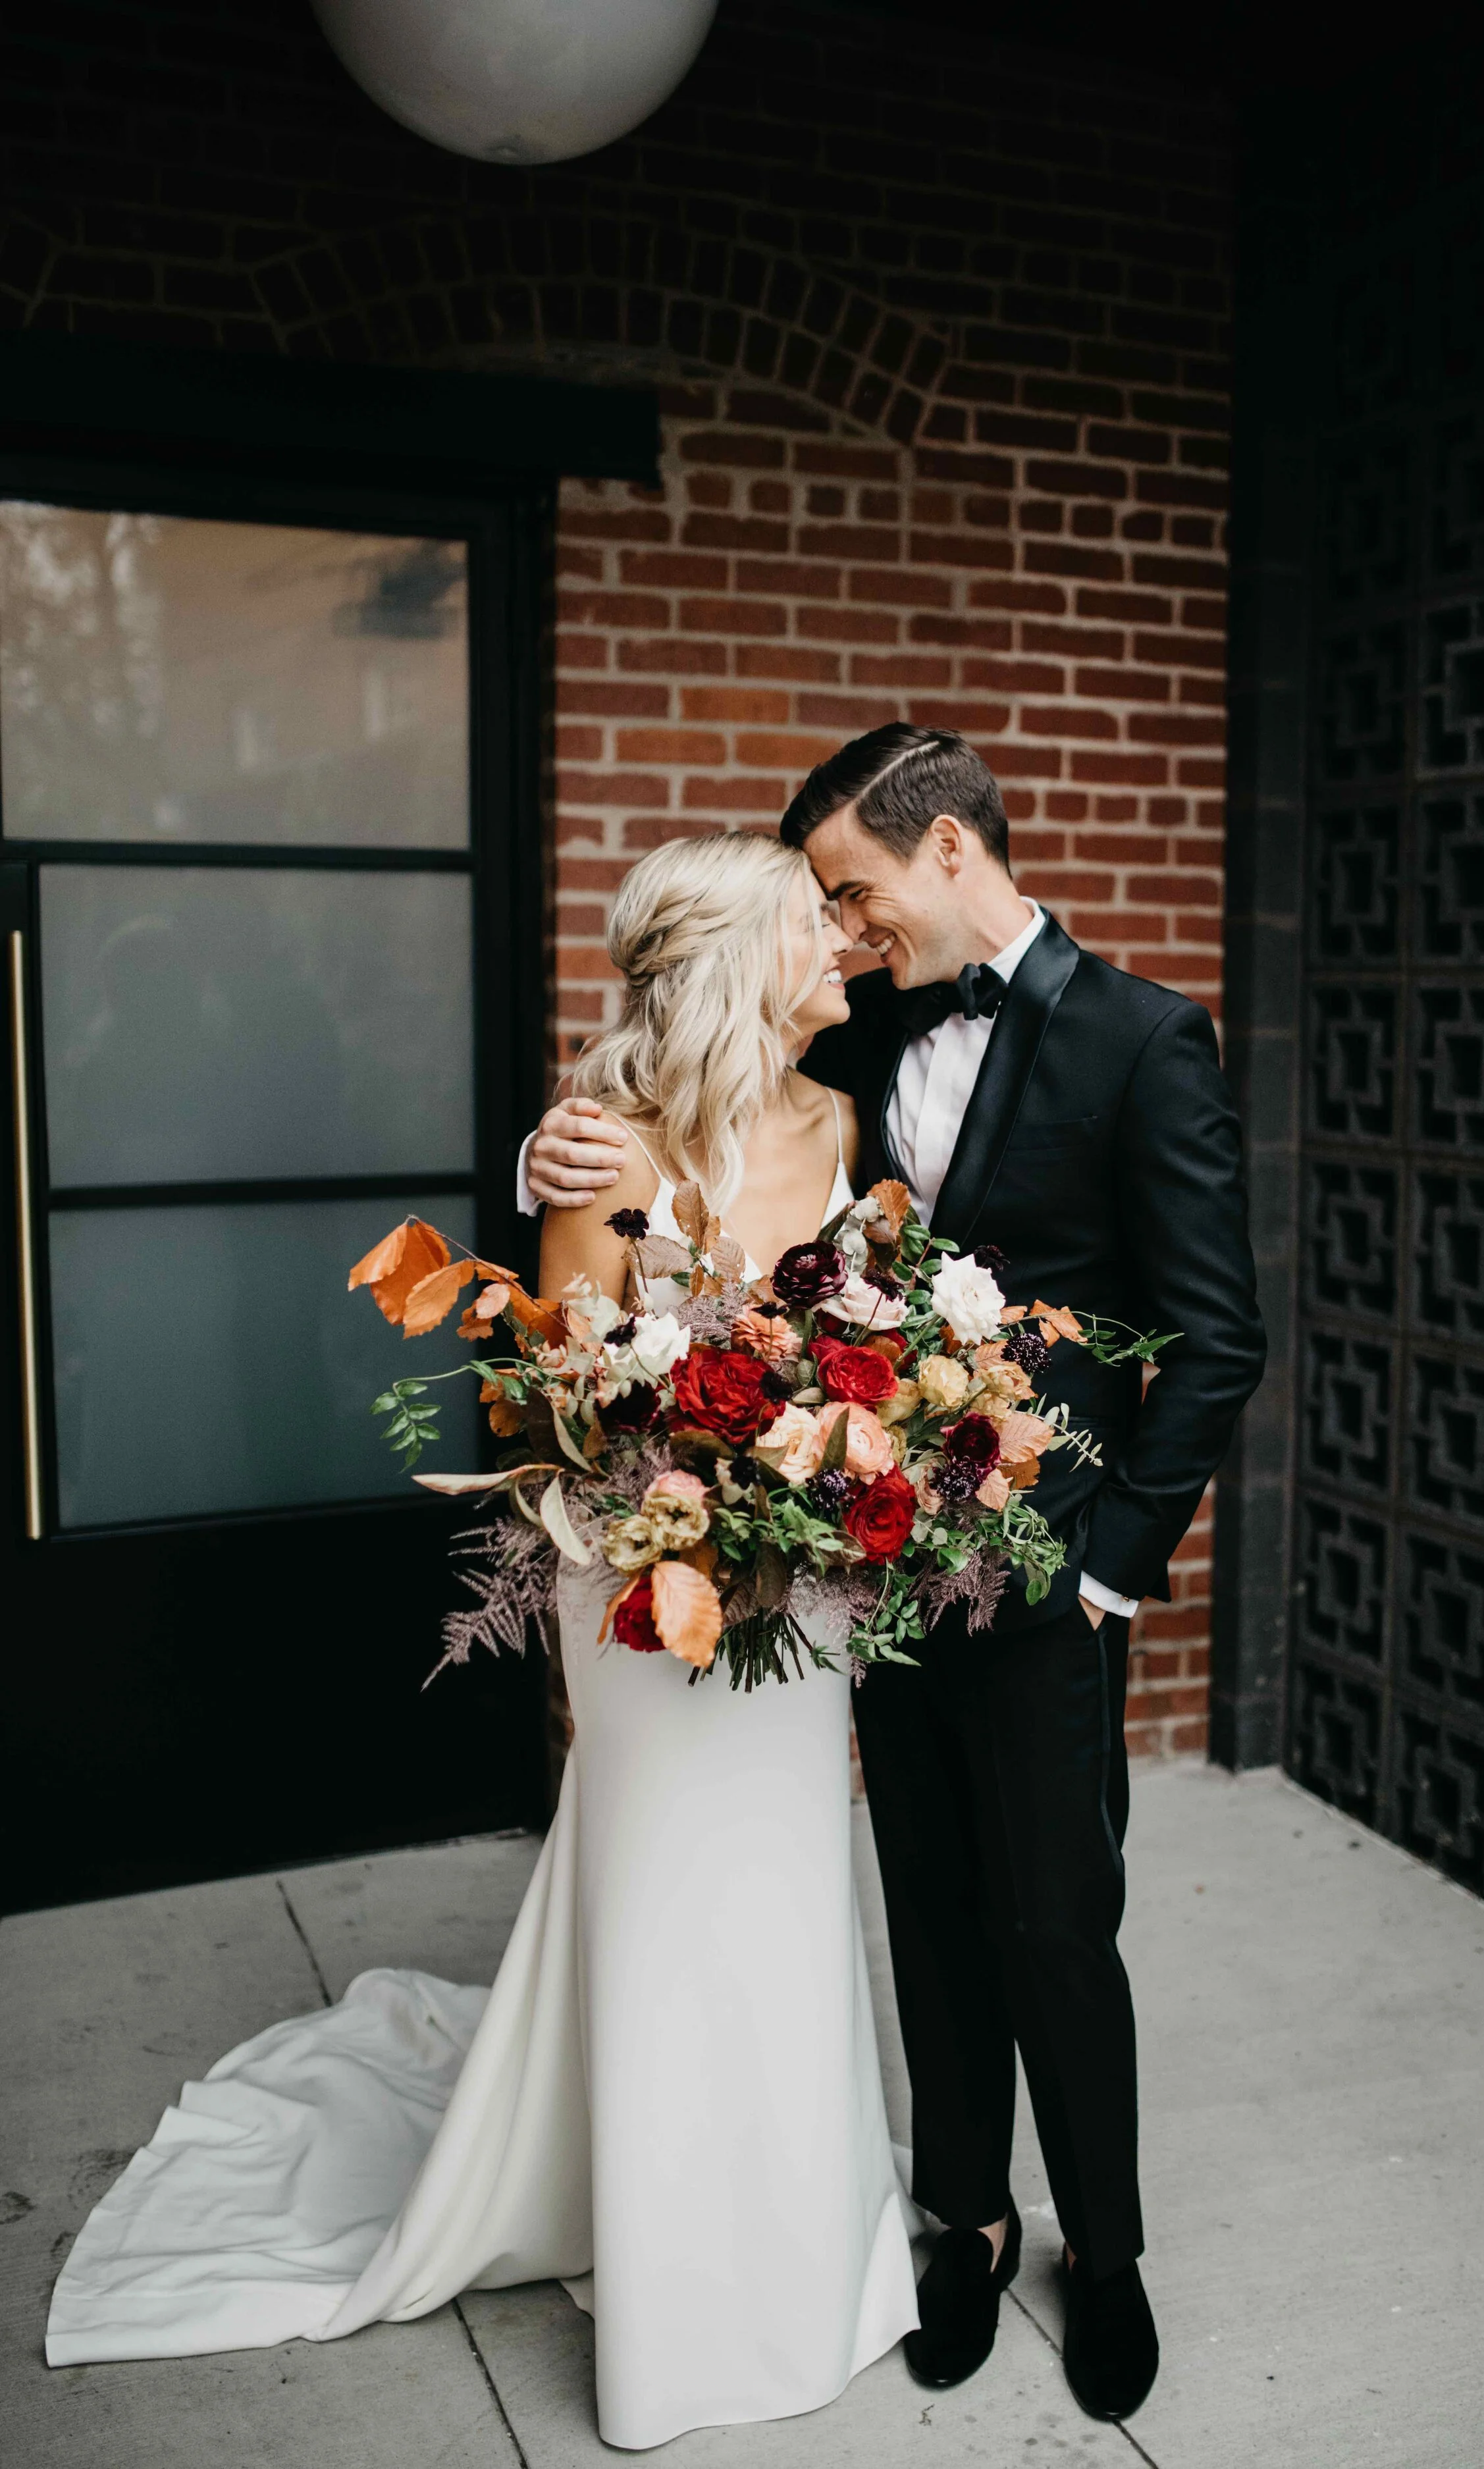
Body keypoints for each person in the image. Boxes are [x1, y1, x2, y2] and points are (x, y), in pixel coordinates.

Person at [46, 832, 920, 2453]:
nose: (843, 949)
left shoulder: (849, 1127)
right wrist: (683, 1492)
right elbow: (553, 1411)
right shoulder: (601, 1152)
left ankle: (800, 2228)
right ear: (743, 960)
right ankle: (675, 2276)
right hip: (639, 1579)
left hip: (799, 1585)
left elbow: (878, 1342)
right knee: (663, 1891)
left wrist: (839, 1462)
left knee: (789, 1886)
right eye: (815, 927)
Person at [523, 724, 1267, 2424]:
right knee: (922, 1901)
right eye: (826, 915)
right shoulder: (855, 1027)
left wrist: (1109, 1572)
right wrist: (541, 1161)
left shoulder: (1146, 1039)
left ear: (946, 851)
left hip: (1048, 1571)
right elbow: (684, 1088)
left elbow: (1216, 1336)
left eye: (855, 895)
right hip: (866, 1564)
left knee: (1054, 1918)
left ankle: (1106, 2251)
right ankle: (968, 2218)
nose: (843, 938)